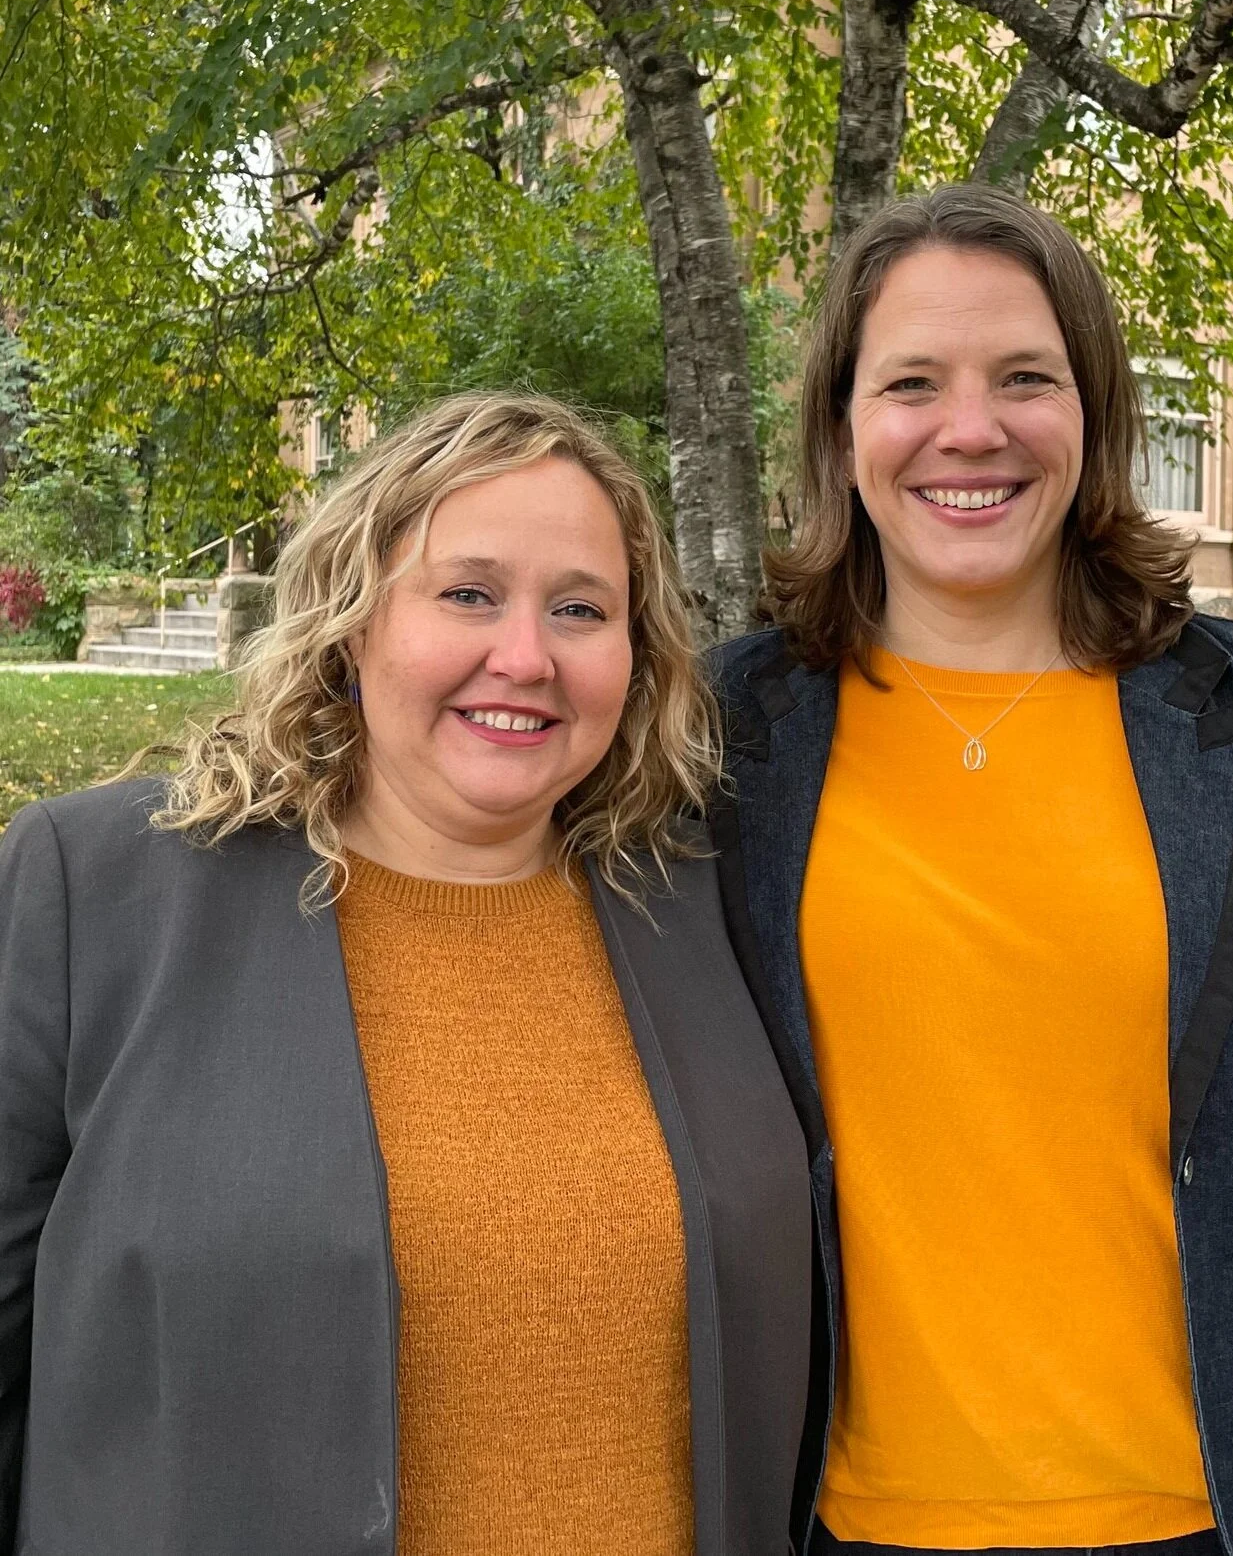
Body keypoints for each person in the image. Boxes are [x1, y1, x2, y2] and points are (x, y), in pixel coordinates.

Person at [710, 186, 1233, 1556]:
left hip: (1222, 1513)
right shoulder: (734, 734)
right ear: (842, 425)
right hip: (847, 1519)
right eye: (911, 381)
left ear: (1090, 413)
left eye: (1023, 377)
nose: (969, 428)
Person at [0, 391, 811, 1556]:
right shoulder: (100, 895)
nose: (523, 656)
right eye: (467, 593)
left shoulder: (703, 907)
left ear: (635, 663)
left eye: (580, 609)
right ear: (353, 620)